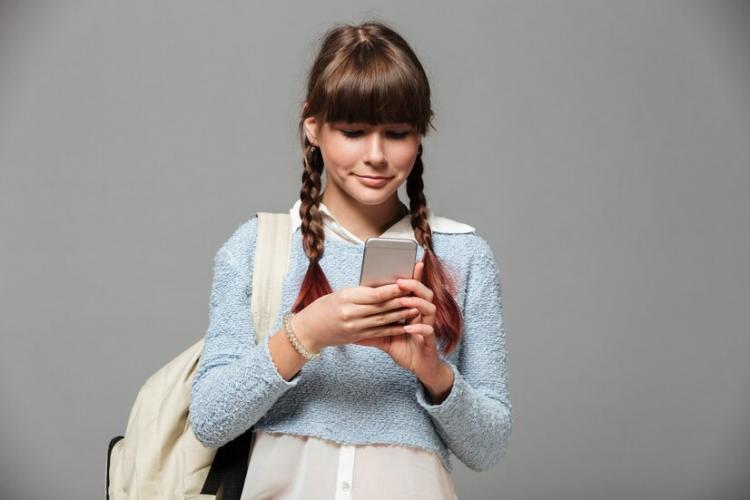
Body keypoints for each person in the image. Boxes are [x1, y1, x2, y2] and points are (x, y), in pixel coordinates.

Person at [189, 20, 512, 500]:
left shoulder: (464, 255)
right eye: (354, 131)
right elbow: (210, 419)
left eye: (397, 132)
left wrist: (432, 371)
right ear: (313, 126)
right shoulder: (257, 247)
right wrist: (306, 334)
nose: (376, 155)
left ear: (420, 134)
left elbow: (489, 448)